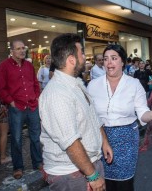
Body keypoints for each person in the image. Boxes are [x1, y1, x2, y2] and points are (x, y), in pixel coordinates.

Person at [87, 45, 152, 191]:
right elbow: (89, 115)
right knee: (101, 183)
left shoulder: (133, 84)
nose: (109, 62)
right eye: (106, 59)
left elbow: (142, 113)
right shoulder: (92, 85)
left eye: (114, 58)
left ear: (123, 62)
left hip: (126, 139)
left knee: (124, 183)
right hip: (99, 139)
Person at [39, 33, 112, 191]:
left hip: (87, 164)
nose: (85, 58)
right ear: (71, 60)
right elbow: (70, 142)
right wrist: (92, 175)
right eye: (82, 53)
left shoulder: (76, 83)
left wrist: (104, 141)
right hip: (71, 173)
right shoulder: (57, 93)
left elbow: (93, 117)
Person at [0, 40, 43, 179]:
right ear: (12, 51)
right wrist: (11, 102)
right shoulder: (4, 66)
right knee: (16, 139)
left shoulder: (29, 65)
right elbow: (1, 88)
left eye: (23, 48)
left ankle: (37, 162)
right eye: (18, 49)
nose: (22, 51)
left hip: (32, 106)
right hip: (16, 108)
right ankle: (18, 167)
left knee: (35, 137)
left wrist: (37, 97)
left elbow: (35, 83)